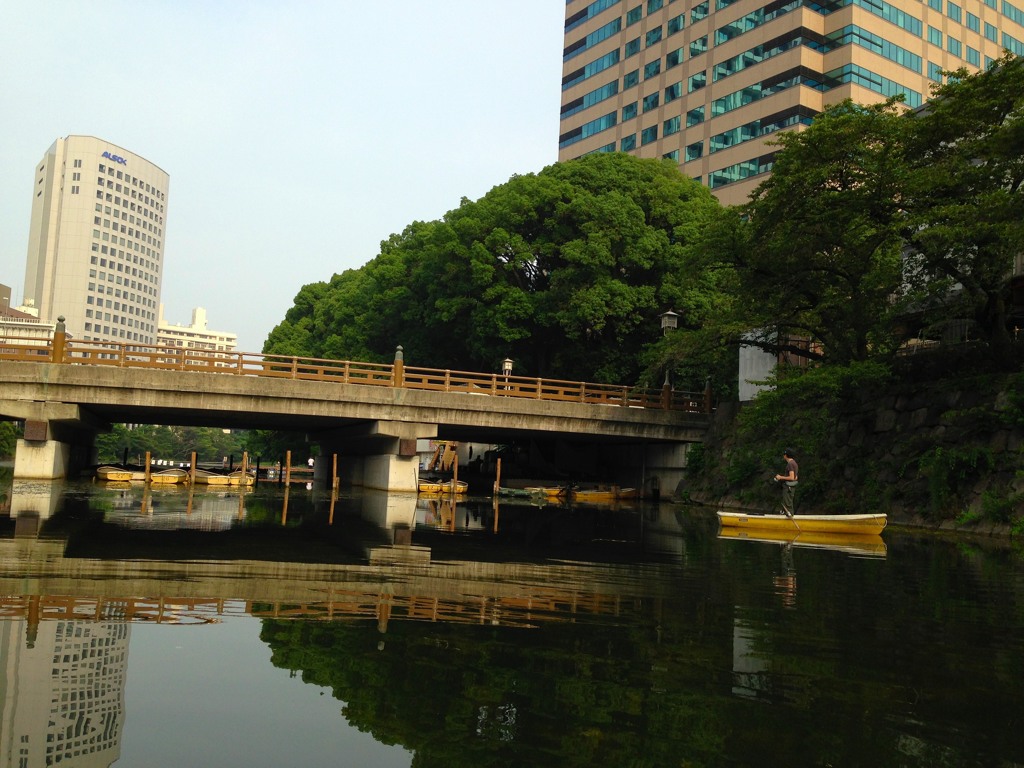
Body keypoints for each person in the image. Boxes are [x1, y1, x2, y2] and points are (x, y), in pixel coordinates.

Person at [774, 448, 799, 516]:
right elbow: (796, 477)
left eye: (784, 454)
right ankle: (783, 514)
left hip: (788, 487)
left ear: (786, 455)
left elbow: (791, 477)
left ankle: (788, 521)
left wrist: (780, 477)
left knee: (787, 505)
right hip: (792, 487)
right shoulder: (795, 463)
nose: (783, 456)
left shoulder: (790, 464)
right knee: (787, 504)